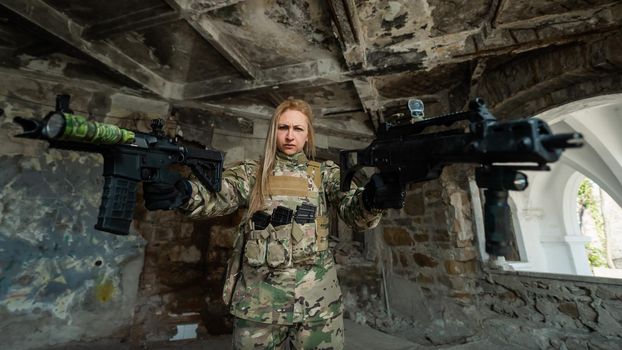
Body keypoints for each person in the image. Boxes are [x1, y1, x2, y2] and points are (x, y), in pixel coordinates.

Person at [143, 98, 404, 349]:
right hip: (259, 304)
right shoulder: (253, 173)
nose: (290, 135)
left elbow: (353, 212)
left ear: (307, 136)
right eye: (283, 127)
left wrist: (372, 200)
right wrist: (185, 193)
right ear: (274, 132)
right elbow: (219, 195)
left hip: (316, 305)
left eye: (298, 128)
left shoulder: (326, 174)